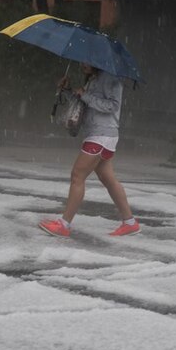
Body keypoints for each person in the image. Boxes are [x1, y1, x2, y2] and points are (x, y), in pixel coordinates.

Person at [39, 62, 140, 238]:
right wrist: (68, 90)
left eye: (86, 62)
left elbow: (112, 106)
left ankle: (64, 225)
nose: (82, 64)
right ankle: (130, 223)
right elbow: (84, 106)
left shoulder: (110, 78)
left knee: (77, 176)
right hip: (97, 134)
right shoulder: (94, 79)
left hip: (102, 135)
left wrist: (85, 95)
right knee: (108, 179)